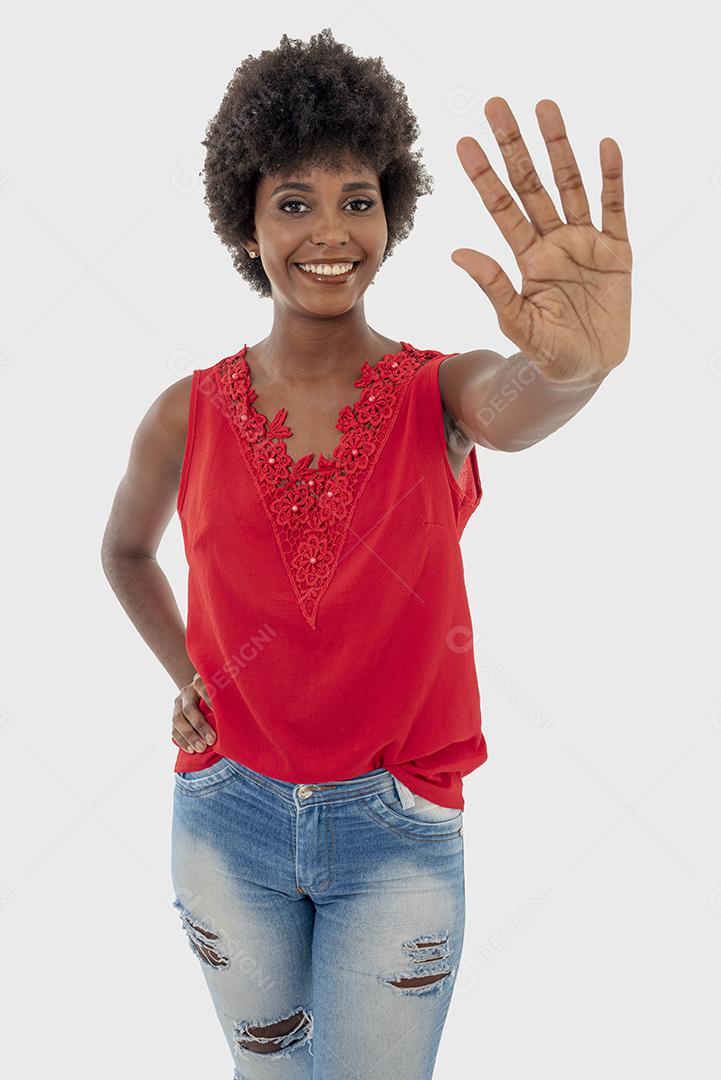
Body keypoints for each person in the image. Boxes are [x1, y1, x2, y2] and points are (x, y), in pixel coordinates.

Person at [100, 27, 631, 1080]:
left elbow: (514, 404)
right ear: (244, 225)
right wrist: (193, 676)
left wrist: (571, 372)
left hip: (396, 833)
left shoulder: (439, 392)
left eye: (358, 199)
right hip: (225, 818)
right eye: (294, 202)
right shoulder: (185, 412)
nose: (330, 230)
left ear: (392, 212)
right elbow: (124, 551)